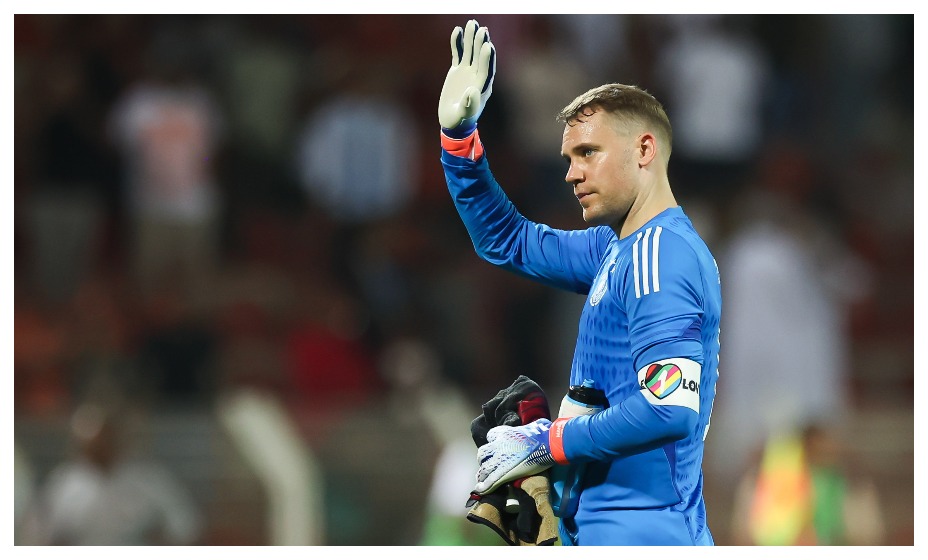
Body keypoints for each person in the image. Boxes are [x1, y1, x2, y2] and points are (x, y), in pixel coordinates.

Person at [437, 20, 721, 545]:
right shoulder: (616, 248)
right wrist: (460, 142)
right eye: (568, 158)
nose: (571, 173)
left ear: (644, 150)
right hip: (602, 529)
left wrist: (548, 442)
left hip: (641, 534)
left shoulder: (662, 254)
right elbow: (508, 240)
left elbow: (668, 408)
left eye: (588, 152)